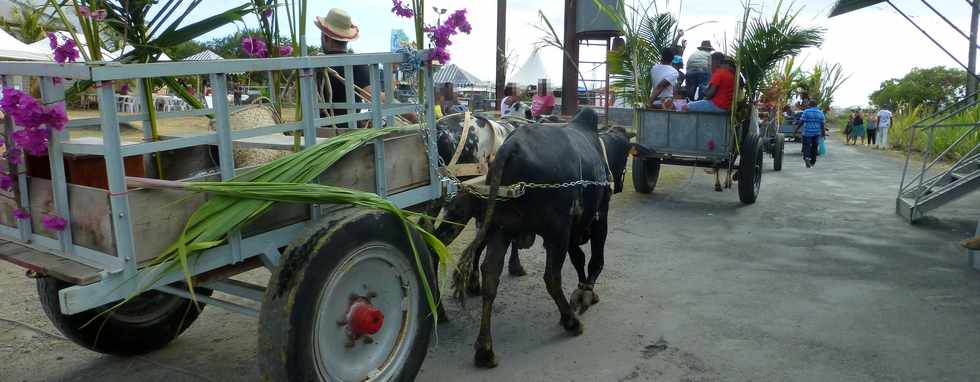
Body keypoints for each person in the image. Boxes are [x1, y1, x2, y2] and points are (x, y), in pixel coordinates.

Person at [800, 100, 825, 168]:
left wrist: (796, 129)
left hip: (807, 132)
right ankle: (813, 162)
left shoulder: (806, 111)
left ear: (810, 105)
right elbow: (822, 124)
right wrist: (823, 133)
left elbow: (802, 121)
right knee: (815, 147)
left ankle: (807, 158)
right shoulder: (820, 113)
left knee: (806, 146)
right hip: (816, 133)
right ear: (816, 105)